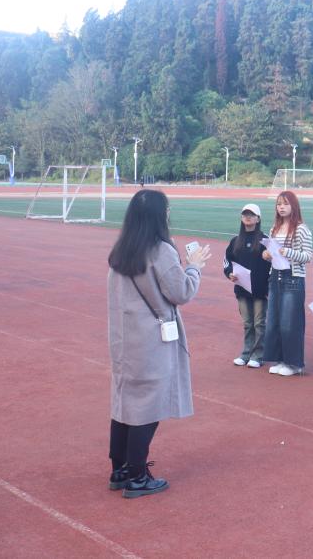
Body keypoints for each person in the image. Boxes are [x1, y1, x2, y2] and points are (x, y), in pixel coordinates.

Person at [106, 189, 211, 498]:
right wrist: (194, 266)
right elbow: (181, 292)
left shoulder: (122, 249)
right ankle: (137, 475)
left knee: (125, 401)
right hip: (151, 339)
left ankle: (120, 468)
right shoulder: (160, 250)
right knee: (148, 406)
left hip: (124, 338)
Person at [262, 191, 313, 377]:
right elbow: (272, 253)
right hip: (275, 276)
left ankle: (294, 363)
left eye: (285, 204)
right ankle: (280, 359)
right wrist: (266, 255)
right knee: (274, 321)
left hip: (293, 278)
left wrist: (287, 252)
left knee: (290, 322)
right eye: (278, 204)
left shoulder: (301, 229)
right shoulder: (274, 229)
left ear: (294, 206)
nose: (281, 207)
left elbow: (308, 256)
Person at [223, 203, 270, 368]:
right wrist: (229, 273)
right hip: (242, 289)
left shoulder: (265, 241)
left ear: (258, 219)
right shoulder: (235, 241)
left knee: (259, 323)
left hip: (260, 290)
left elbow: (273, 264)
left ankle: (258, 355)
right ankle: (246, 353)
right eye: (245, 214)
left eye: (251, 215)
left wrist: (269, 286)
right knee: (248, 323)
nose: (248, 217)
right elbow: (227, 261)